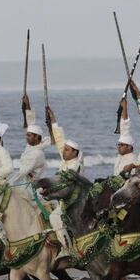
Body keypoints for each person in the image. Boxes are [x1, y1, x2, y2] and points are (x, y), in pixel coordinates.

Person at [46, 105, 81, 248]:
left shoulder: (75, 166)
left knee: (55, 217)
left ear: (75, 153)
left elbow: (64, 183)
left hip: (71, 200)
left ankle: (67, 248)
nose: (64, 152)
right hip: (60, 197)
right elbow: (60, 140)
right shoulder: (66, 160)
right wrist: (53, 121)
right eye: (64, 150)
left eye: (67, 150)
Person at [113, 96, 138, 177]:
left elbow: (126, 123)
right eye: (119, 145)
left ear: (129, 147)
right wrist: (123, 107)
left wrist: (125, 108)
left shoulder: (133, 160)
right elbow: (123, 126)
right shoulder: (120, 156)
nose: (119, 147)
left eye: (122, 145)